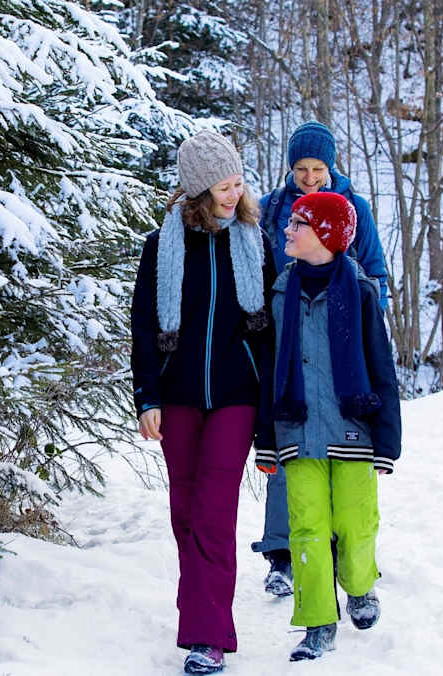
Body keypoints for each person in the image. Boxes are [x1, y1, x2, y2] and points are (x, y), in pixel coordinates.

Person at [130, 130, 276, 675]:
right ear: (196, 188)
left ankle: (207, 637)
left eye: (238, 182)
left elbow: (269, 329)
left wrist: (272, 399)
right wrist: (147, 395)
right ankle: (202, 616)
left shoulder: (254, 242)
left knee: (214, 511)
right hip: (179, 395)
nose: (234, 193)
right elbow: (144, 327)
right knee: (185, 513)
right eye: (223, 185)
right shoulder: (162, 246)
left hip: (238, 396)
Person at [253, 191, 401, 660]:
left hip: (352, 428)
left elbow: (382, 366)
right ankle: (318, 622)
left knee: (356, 524)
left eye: (298, 224)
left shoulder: (359, 291)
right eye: (290, 222)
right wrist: (267, 439)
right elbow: (271, 370)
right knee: (307, 530)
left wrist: (387, 440)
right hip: (297, 430)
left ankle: (359, 587)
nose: (287, 230)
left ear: (327, 235)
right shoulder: (280, 294)